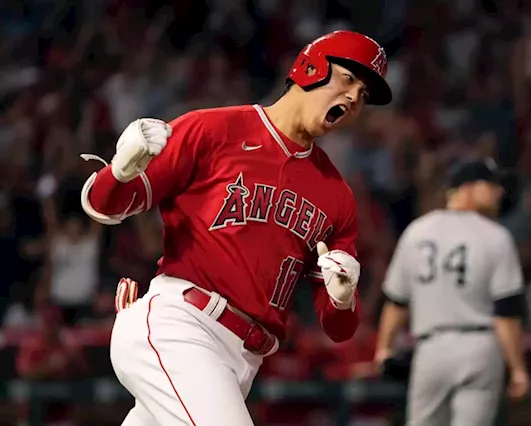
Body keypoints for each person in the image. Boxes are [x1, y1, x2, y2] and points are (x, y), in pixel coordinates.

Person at [79, 30, 392, 425]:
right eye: (348, 79)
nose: (353, 98)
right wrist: (120, 171)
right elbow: (105, 207)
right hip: (181, 326)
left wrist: (344, 298)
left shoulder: (337, 195)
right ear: (309, 68)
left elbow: (339, 328)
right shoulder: (213, 130)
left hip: (241, 362)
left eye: (363, 95)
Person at [375, 159, 531, 426]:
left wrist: (384, 348)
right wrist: (517, 367)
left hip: (430, 350)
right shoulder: (496, 236)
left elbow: (396, 302)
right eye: (490, 184)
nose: (499, 191)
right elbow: (505, 314)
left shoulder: (417, 231)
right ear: (466, 188)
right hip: (479, 348)